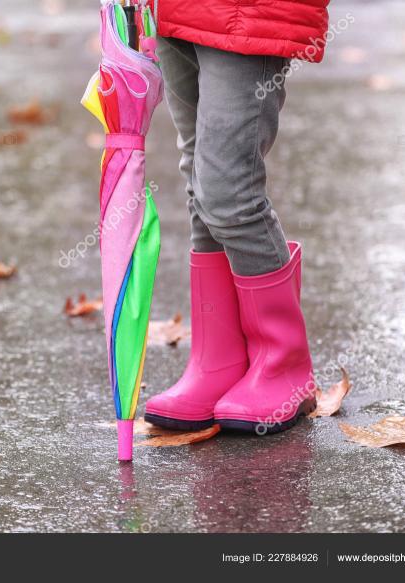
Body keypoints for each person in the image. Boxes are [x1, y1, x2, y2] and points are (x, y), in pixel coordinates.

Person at [143, 0, 330, 434]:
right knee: (199, 178)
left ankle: (284, 366)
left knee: (230, 191)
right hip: (173, 10)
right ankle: (218, 361)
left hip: (247, 12)